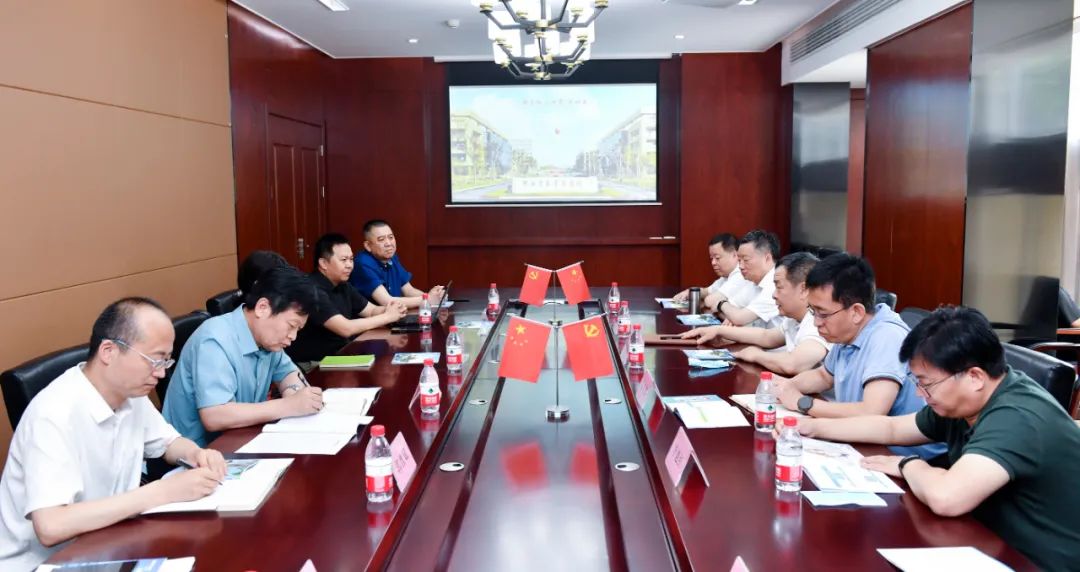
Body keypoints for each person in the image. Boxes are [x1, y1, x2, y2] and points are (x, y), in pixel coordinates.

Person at [788, 306, 1080, 570]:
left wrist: (910, 465)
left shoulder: (1016, 417)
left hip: (1037, 561)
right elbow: (891, 429)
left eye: (926, 384)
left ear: (975, 377)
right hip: (985, 541)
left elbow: (946, 497)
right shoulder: (966, 401)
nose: (919, 394)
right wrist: (811, 427)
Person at [0, 298, 226, 570]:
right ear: (109, 351)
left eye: (166, 361)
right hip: (44, 564)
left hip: (108, 544)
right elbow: (51, 526)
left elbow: (168, 443)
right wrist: (162, 492)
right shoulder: (53, 414)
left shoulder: (130, 393)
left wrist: (196, 453)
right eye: (153, 360)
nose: (160, 373)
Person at [771, 253, 941, 457]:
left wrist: (803, 403)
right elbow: (824, 376)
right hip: (865, 444)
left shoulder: (887, 336)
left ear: (857, 312)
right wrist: (787, 387)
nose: (816, 322)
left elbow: (871, 411)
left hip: (904, 455)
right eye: (812, 311)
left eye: (823, 314)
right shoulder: (848, 332)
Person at [163, 267, 324, 447]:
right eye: (291, 326)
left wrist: (294, 392)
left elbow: (288, 374)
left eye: (298, 330)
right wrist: (289, 406)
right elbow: (215, 416)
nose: (293, 336)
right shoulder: (215, 340)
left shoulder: (267, 339)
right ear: (263, 308)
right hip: (196, 452)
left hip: (243, 439)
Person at [681, 252, 829, 375]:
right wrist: (718, 330)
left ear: (803, 290)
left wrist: (756, 355)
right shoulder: (794, 319)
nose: (774, 295)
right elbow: (766, 337)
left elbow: (792, 364)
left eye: (779, 287)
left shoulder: (818, 322)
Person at [287, 233, 408, 366]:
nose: (349, 265)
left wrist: (392, 309)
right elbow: (345, 328)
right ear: (323, 263)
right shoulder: (311, 289)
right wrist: (388, 317)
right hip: (315, 363)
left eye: (351, 259)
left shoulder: (343, 285)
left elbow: (371, 310)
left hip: (342, 356)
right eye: (344, 260)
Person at [349, 219, 444, 309]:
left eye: (391, 237)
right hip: (372, 319)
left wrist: (434, 297)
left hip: (394, 316)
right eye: (381, 239)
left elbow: (409, 290)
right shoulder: (363, 263)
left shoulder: (392, 257)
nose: (388, 243)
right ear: (368, 246)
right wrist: (427, 299)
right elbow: (387, 301)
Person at [707, 229, 781, 326]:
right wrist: (731, 313)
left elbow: (738, 318)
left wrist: (721, 304)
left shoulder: (776, 284)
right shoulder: (753, 282)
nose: (740, 266)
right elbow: (729, 309)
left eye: (746, 260)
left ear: (767, 258)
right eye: (739, 260)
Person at [672, 233, 751, 304]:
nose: (713, 263)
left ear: (735, 255)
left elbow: (711, 301)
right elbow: (707, 291)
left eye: (717, 258)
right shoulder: (726, 276)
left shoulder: (741, 274)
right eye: (711, 258)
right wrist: (689, 292)